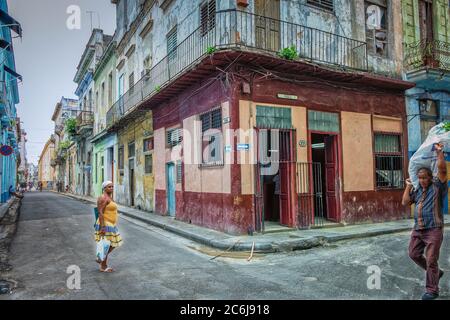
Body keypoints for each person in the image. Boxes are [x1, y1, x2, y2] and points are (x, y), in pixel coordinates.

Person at [402, 142, 447, 300]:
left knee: (431, 259)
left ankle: (432, 290)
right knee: (413, 253)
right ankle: (436, 272)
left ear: (430, 177)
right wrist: (408, 186)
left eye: (424, 178)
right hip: (418, 228)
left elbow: (442, 170)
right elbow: (405, 202)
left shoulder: (438, 187)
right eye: (420, 178)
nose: (421, 180)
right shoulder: (417, 190)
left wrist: (440, 152)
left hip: (434, 228)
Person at [95, 181, 123, 273]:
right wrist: (103, 227)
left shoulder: (109, 197)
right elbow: (100, 212)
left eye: (112, 186)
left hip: (111, 224)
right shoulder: (103, 198)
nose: (111, 188)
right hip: (105, 224)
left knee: (109, 244)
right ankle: (102, 263)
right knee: (109, 243)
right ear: (104, 188)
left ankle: (101, 258)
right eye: (109, 187)